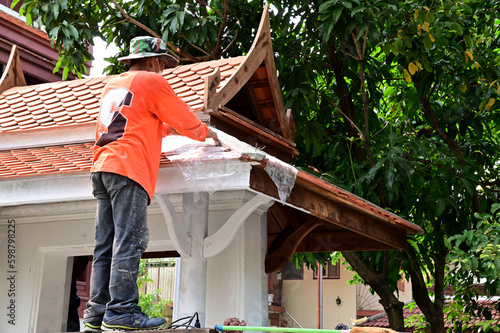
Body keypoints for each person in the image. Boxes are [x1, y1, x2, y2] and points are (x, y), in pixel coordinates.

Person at [83, 36, 218, 332]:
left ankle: (96, 315)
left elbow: (145, 120)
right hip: (128, 169)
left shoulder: (114, 85)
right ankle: (121, 311)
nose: (164, 72)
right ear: (155, 61)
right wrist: (207, 133)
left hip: (102, 166)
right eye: (164, 66)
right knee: (130, 241)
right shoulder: (151, 81)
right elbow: (182, 117)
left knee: (105, 245)